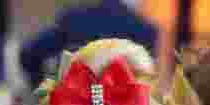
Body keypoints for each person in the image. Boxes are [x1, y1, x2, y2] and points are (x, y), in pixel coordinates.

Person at [18, 0, 159, 90]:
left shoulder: (75, 18)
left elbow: (28, 55)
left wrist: (45, 93)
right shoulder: (146, 30)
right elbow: (147, 82)